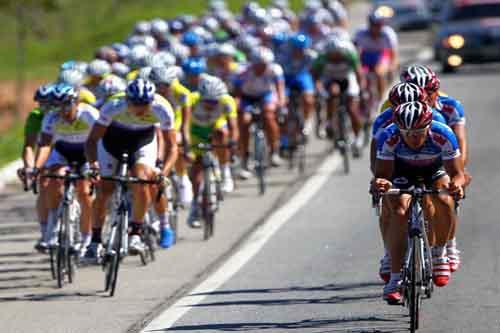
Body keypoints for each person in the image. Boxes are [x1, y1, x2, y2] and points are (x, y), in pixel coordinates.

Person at [372, 101, 465, 303]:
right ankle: (395, 278)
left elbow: (458, 174)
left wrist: (456, 185)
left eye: (419, 132)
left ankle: (440, 253)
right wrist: (381, 184)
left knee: (444, 198)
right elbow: (383, 176)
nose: (413, 138)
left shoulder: (443, 133)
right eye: (407, 133)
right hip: (401, 170)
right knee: (398, 210)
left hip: (434, 169)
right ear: (399, 129)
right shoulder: (389, 136)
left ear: (429, 126)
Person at [84, 78, 178, 261]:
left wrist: (163, 173)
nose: (140, 109)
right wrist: (93, 164)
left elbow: (172, 147)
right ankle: (95, 241)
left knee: (142, 180)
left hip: (142, 140)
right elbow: (92, 141)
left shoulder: (162, 108)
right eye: (135, 104)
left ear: (152, 100)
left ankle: (135, 233)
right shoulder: (113, 105)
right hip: (112, 141)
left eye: (145, 104)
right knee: (104, 189)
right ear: (127, 101)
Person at [31, 84, 100, 256]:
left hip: (87, 153)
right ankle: (54, 227)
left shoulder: (90, 114)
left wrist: (96, 166)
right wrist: (37, 168)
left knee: (84, 192)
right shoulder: (51, 118)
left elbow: (101, 142)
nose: (62, 110)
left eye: (67, 105)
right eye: (58, 106)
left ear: (76, 102)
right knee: (53, 180)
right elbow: (46, 145)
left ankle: (86, 237)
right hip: (63, 151)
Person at [185, 75, 239, 227]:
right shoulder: (192, 99)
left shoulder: (227, 101)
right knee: (197, 170)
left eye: (214, 102)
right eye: (207, 101)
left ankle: (225, 170)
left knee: (223, 134)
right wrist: (187, 145)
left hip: (215, 130)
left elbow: (234, 127)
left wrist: (232, 143)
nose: (210, 105)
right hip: (196, 133)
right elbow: (184, 125)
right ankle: (195, 205)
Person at [233, 46, 286, 176]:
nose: (262, 68)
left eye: (264, 65)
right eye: (259, 65)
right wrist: (237, 104)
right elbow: (238, 93)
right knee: (244, 122)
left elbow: (280, 89)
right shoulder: (242, 71)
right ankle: (245, 157)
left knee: (268, 116)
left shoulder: (275, 70)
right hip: (247, 97)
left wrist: (281, 102)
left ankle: (274, 149)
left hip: (266, 95)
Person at [18, 84, 56, 252]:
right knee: (44, 185)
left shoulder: (62, 116)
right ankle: (46, 230)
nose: (45, 108)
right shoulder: (36, 117)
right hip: (46, 155)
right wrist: (30, 168)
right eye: (41, 104)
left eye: (49, 104)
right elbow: (29, 146)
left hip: (69, 152)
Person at [312, 36, 364, 156]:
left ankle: (357, 136)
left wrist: (361, 90)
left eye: (338, 55)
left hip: (347, 77)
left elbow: (358, 73)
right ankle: (330, 121)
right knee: (332, 93)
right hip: (330, 79)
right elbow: (314, 74)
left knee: (352, 108)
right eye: (332, 55)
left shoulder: (349, 54)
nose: (335, 57)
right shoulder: (322, 57)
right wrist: (319, 88)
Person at [354, 11, 399, 99]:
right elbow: (356, 52)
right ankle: (362, 94)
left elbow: (393, 54)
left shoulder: (388, 34)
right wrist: (357, 68)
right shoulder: (360, 33)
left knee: (379, 73)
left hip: (382, 55)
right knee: (359, 73)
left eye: (379, 25)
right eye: (374, 25)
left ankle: (380, 98)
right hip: (366, 55)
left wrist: (392, 67)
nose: (377, 28)